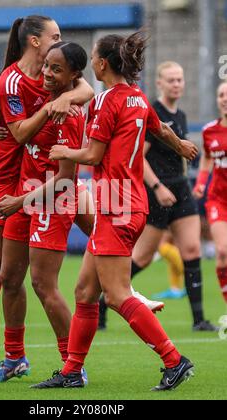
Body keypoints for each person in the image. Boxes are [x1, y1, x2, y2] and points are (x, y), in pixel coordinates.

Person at [31, 32, 197, 391]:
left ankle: (174, 360)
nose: (91, 61)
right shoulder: (137, 98)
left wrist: (62, 152)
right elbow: (159, 127)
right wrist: (180, 144)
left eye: (93, 56)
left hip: (116, 203)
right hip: (127, 201)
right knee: (85, 293)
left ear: (103, 63)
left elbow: (92, 155)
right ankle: (72, 370)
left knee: (117, 295)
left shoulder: (109, 101)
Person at [0, 15, 94, 370]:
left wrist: (64, 100)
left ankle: (76, 360)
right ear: (35, 42)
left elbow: (87, 90)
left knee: (43, 280)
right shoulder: (14, 81)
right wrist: (52, 105)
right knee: (2, 267)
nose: (60, 39)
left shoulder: (59, 73)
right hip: (10, 177)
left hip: (46, 187)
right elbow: (20, 133)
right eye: (55, 35)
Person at [99, 61, 217, 331]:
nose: (177, 84)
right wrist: (157, 187)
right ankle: (103, 300)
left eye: (180, 79)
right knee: (141, 257)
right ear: (160, 83)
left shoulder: (182, 115)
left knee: (191, 250)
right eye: (171, 80)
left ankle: (199, 320)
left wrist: (188, 184)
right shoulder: (153, 112)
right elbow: (138, 157)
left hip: (180, 190)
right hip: (157, 191)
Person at [193, 80, 227, 307]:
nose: (224, 99)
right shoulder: (209, 131)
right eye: (221, 95)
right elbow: (206, 157)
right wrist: (201, 182)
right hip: (218, 199)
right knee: (223, 251)